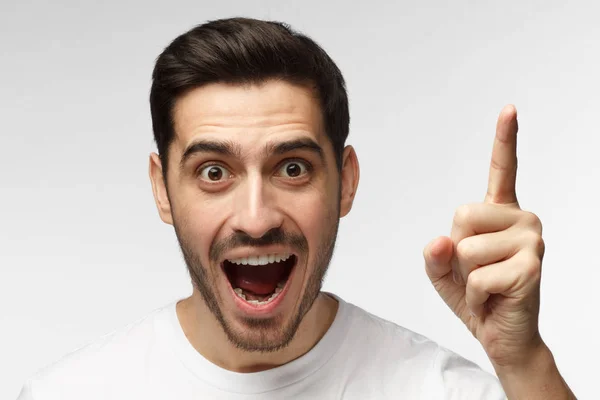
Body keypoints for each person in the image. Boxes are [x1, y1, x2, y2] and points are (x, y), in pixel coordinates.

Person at [17, 17, 576, 399]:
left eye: (292, 168)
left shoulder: (443, 390)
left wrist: (524, 362)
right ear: (163, 189)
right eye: (214, 172)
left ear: (346, 182)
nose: (257, 219)